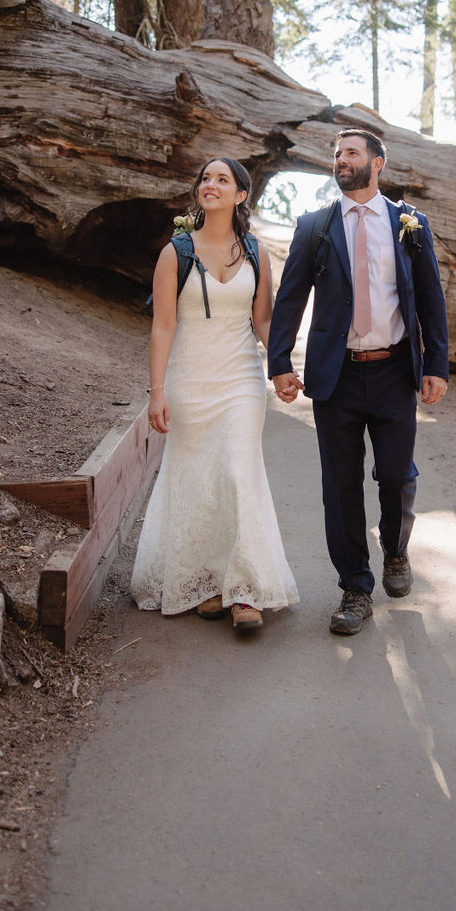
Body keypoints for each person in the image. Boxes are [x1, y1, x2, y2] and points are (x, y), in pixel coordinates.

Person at [267, 129, 448, 636]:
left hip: (394, 371)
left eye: (351, 153)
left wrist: (436, 364)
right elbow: (291, 298)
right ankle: (355, 586)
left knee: (395, 475)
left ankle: (395, 550)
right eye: (336, 154)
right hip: (336, 376)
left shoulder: (409, 224)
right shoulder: (315, 225)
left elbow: (431, 299)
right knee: (340, 484)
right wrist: (279, 361)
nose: (340, 160)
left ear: (378, 163)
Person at [131, 157, 298, 633]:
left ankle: (246, 592)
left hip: (241, 380)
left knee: (237, 471)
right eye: (206, 178)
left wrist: (280, 369)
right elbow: (163, 326)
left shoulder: (256, 253)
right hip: (189, 379)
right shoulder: (175, 252)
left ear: (241, 195)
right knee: (199, 479)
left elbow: (262, 320)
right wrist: (156, 392)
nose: (211, 185)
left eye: (223, 180)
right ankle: (206, 582)